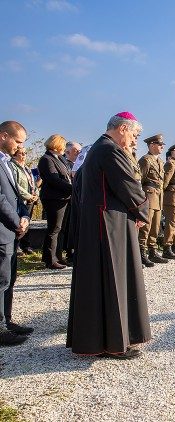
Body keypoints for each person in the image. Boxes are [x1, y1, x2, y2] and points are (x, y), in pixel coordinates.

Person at [66, 112, 150, 359]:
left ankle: (97, 341)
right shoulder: (111, 150)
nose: (134, 140)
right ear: (123, 128)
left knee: (99, 283)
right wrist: (143, 211)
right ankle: (114, 343)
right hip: (109, 224)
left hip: (100, 222)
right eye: (134, 134)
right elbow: (129, 186)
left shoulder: (97, 148)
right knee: (113, 280)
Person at [0, 121, 31, 346]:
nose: (20, 147)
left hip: (10, 230)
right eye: (17, 141)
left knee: (9, 279)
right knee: (1, 280)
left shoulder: (7, 163)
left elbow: (17, 196)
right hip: (3, 229)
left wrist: (25, 217)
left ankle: (6, 320)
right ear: (3, 136)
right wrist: (16, 222)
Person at [38, 134, 73, 270]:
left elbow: (67, 175)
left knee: (61, 229)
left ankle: (58, 256)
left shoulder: (59, 159)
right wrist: (72, 188)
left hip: (64, 197)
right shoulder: (46, 159)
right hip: (54, 198)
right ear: (57, 144)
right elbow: (54, 180)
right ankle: (50, 259)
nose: (65, 148)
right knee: (54, 228)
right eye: (63, 145)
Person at [137, 134, 168, 266]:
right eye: (159, 144)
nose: (162, 147)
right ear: (152, 145)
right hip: (148, 196)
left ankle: (153, 251)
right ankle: (141, 253)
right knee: (146, 227)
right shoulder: (145, 160)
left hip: (158, 196)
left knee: (155, 227)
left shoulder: (160, 161)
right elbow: (139, 180)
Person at [10, 147, 37, 254]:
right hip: (19, 199)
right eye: (21, 153)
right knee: (18, 223)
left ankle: (26, 245)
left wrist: (35, 194)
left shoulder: (26, 167)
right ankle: (17, 246)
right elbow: (15, 184)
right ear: (15, 155)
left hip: (30, 199)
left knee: (27, 222)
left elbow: (32, 182)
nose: (24, 155)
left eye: (25, 153)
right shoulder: (12, 166)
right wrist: (28, 195)